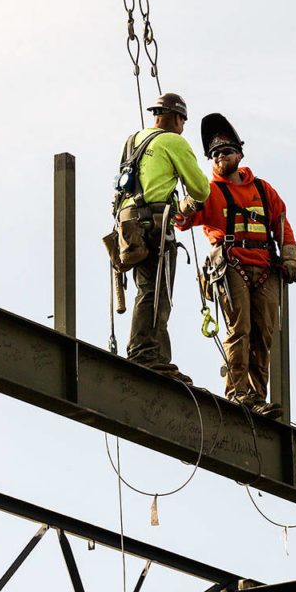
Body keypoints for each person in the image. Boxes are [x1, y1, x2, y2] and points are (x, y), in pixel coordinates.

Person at [178, 113, 296, 417]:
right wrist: (186, 202)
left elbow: (283, 225)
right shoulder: (209, 191)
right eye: (215, 154)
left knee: (263, 334)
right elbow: (183, 220)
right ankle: (238, 393)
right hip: (233, 266)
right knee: (240, 330)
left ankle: (258, 396)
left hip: (266, 270)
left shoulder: (263, 190)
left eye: (226, 151)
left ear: (239, 154)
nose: (220, 157)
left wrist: (290, 259)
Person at [116, 93, 210, 383]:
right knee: (158, 292)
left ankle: (153, 354)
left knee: (147, 288)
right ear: (176, 118)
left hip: (129, 225)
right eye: (183, 121)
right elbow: (201, 189)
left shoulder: (133, 140)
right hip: (155, 227)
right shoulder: (173, 142)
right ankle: (146, 353)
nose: (183, 127)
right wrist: (191, 205)